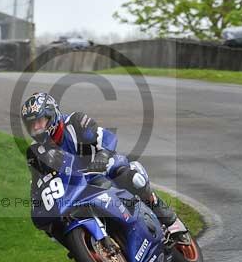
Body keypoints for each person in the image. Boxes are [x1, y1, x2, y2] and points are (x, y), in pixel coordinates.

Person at [21, 92, 176, 230]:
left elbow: (108, 137)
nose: (37, 128)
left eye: (40, 121)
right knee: (55, 226)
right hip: (75, 188)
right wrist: (39, 206)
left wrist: (103, 155)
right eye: (32, 125)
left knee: (133, 178)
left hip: (102, 167)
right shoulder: (35, 153)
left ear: (51, 115)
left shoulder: (76, 121)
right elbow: (38, 184)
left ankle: (158, 207)